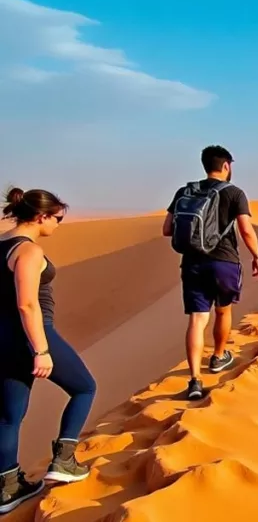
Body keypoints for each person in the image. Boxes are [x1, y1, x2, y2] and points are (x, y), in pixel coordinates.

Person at [1, 188, 95, 515]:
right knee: (84, 387)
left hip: (3, 338)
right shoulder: (27, 250)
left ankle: (8, 487)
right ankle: (64, 460)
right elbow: (27, 304)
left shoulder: (1, 244)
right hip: (32, 335)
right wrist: (41, 349)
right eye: (57, 219)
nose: (57, 225)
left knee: (9, 415)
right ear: (41, 216)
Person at [164, 145, 258, 401]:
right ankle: (218, 357)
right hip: (224, 262)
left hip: (193, 263)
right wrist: (256, 255)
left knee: (197, 320)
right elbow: (246, 230)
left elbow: (167, 229)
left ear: (205, 165)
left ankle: (195, 381)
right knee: (223, 310)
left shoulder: (185, 191)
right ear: (227, 166)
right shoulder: (235, 193)